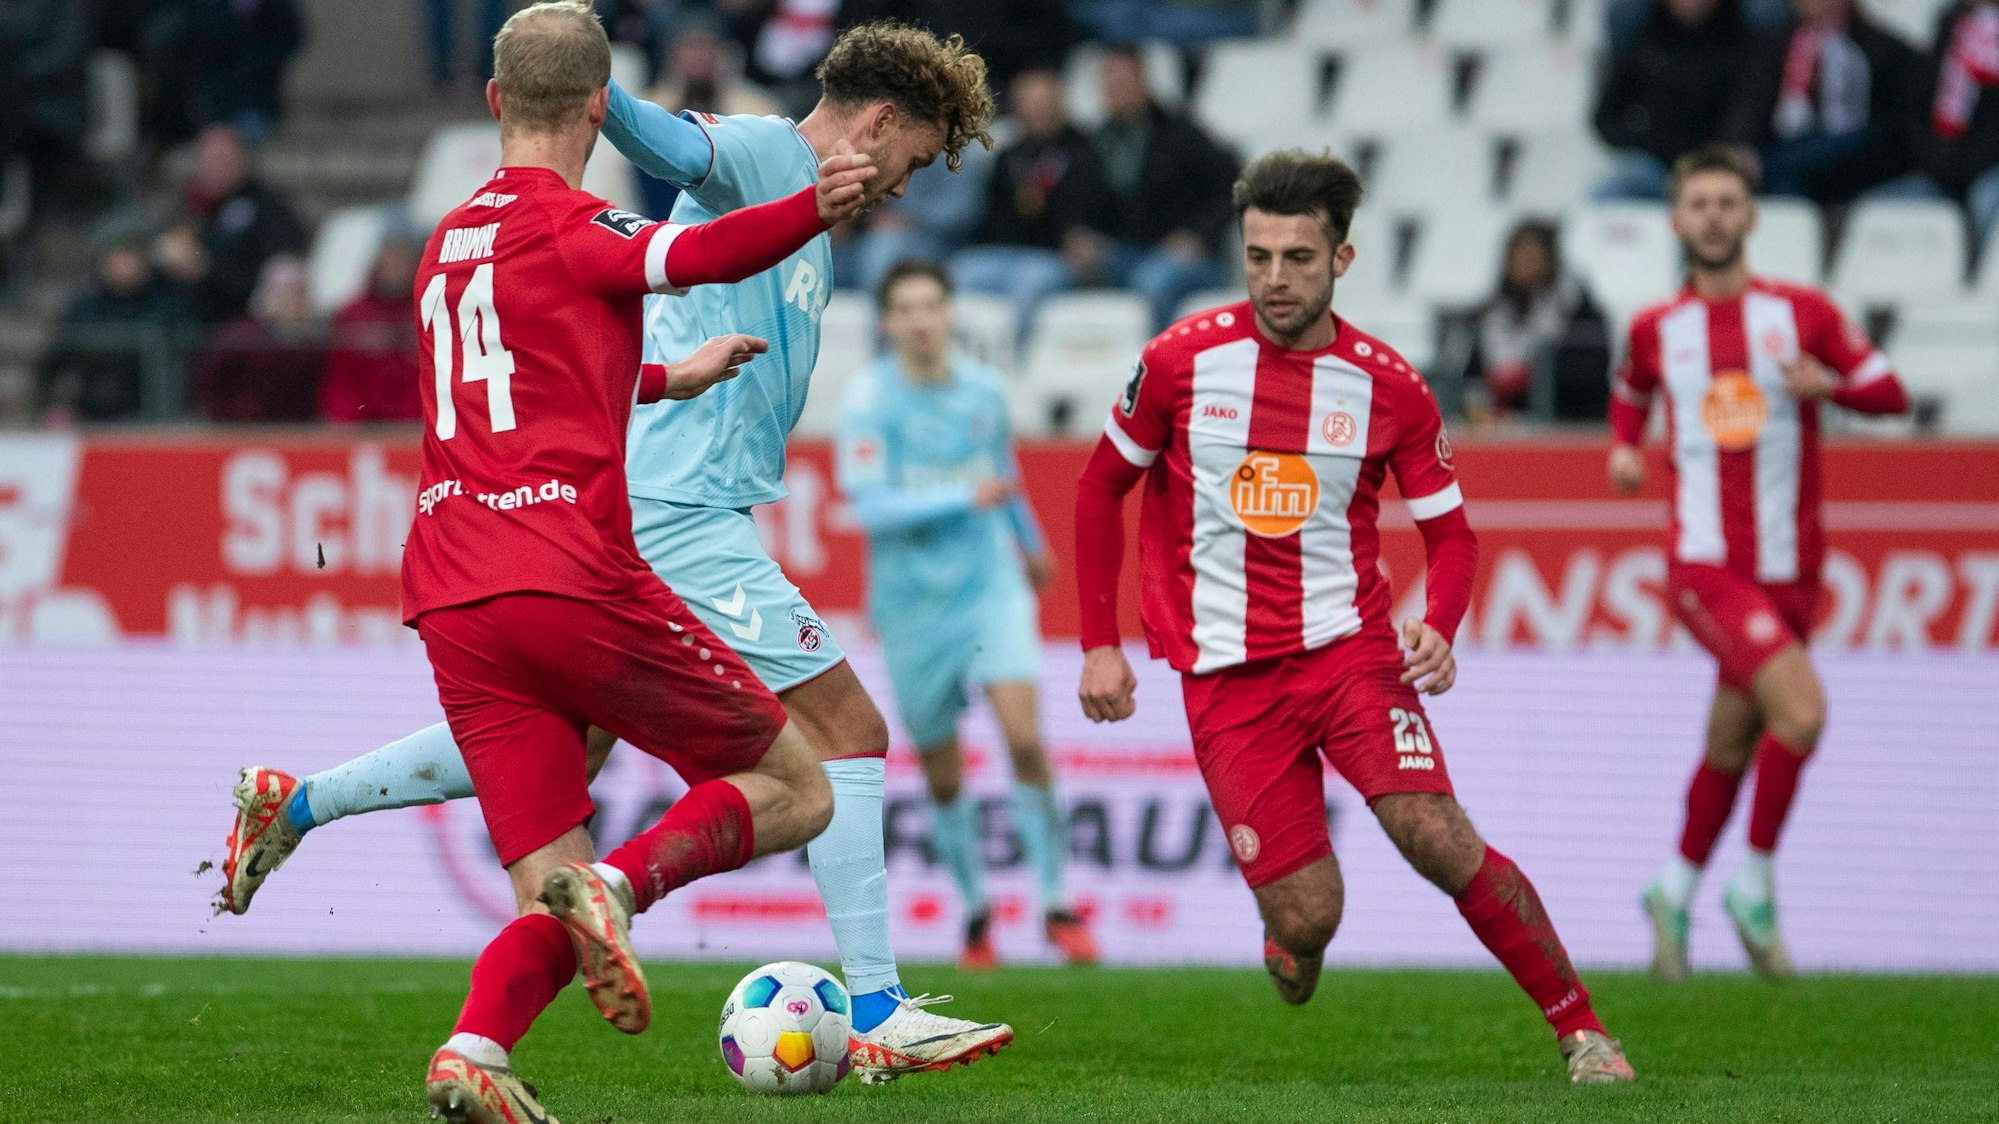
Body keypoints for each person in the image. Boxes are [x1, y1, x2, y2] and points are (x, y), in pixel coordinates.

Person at [216, 20, 1013, 1087]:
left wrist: (672, 375)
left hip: (635, 505)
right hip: (676, 508)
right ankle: (873, 1008)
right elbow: (671, 147)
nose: (902, 187)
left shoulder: (501, 232)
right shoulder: (770, 156)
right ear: (877, 123)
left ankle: (302, 803)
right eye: (909, 160)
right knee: (844, 733)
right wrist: (585, 69)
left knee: (570, 744)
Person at [386, 5, 874, 1118]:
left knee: (543, 895)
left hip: (452, 595)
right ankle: (621, 883)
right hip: (563, 571)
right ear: (601, 105)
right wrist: (814, 205)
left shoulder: (442, 243)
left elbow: (515, 380)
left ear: (495, 101)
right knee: (800, 787)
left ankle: (475, 1049)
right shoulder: (576, 222)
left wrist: (665, 380)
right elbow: (696, 252)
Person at [1072, 149, 1636, 1085]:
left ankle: (1583, 1032)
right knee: (1308, 916)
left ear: (1341, 258)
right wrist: (1100, 644)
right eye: (1258, 257)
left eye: (1297, 258)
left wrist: (1439, 624)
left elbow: (1451, 536)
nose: (1274, 278)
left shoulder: (1389, 385)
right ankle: (1289, 936)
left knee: (1435, 835)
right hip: (1226, 679)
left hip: (1349, 653)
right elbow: (1099, 491)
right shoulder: (1177, 362)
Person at [1610, 144, 1909, 982]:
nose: (1711, 218)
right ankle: (1753, 887)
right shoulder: (1656, 328)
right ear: (1676, 221)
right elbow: (1630, 390)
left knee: (1730, 742)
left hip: (1793, 574)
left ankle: (1671, 891)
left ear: (1748, 217)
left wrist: (1828, 388)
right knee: (1802, 715)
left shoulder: (1802, 314)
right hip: (1705, 569)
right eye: (1697, 204)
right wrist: (1623, 450)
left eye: (1725, 203)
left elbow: (1889, 392)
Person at [836, 259, 1096, 970]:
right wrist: (962, 497)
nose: (921, 321)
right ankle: (977, 913)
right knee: (943, 771)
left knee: (1026, 739)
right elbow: (871, 507)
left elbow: (1000, 475)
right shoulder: (868, 401)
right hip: (913, 609)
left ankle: (1056, 903)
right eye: (906, 309)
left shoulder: (983, 390)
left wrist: (1030, 541)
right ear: (888, 323)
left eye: (931, 306)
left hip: (990, 590)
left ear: (950, 314)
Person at [951, 67, 1115, 333]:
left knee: (1029, 283)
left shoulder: (1087, 152)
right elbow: (993, 218)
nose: (1038, 111)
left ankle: (1013, 354)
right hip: (1004, 253)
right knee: (960, 272)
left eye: (1044, 102)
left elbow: (1098, 214)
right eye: (1029, 103)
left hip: (1054, 258)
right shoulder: (1008, 157)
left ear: (1061, 103)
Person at [1092, 43, 1239, 327]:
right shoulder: (1099, 141)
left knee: (1151, 282)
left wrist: (1197, 235)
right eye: (1109, 81)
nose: (1115, 89)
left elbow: (1231, 186)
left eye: (1123, 80)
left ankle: (1161, 353)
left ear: (1143, 81)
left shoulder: (1181, 133)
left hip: (1190, 256)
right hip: (1128, 252)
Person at [1722, 0, 1919, 203]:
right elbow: (1752, 100)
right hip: (1790, 143)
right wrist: (1742, 144)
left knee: (1779, 167)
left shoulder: (1882, 47)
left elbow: (1897, 120)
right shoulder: (1776, 43)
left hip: (1858, 147)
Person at [1451, 220, 1611, 424]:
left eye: (1532, 258)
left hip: (1562, 423)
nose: (1525, 265)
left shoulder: (1578, 313)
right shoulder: (1489, 315)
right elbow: (1472, 378)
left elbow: (1589, 379)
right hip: (1500, 425)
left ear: (1550, 261)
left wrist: (1531, 376)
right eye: (1518, 257)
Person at [1594, 0, 1757, 200]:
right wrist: (1643, 140)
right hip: (1654, 163)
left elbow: (1746, 112)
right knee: (1613, 190)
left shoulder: (1743, 45)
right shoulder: (1645, 42)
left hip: (1714, 163)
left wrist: (1717, 157)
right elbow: (1605, 117)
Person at [36, 217, 193, 423]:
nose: (125, 262)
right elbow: (55, 362)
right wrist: (55, 405)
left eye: (132, 254)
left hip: (154, 418)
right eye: (118, 254)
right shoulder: (84, 307)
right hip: (92, 414)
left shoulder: (169, 305)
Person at [168, 123, 308, 324]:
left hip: (245, 323)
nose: (216, 169)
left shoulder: (269, 210)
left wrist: (205, 267)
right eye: (209, 161)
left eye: (223, 160)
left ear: (242, 161)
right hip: (182, 321)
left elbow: (279, 273)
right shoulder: (184, 207)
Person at [1900, 0, 1999, 246]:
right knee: (1895, 201)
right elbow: (1920, 104)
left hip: (1986, 167)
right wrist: (1940, 161)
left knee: (1985, 199)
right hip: (1945, 162)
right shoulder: (1951, 25)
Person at [190, 256, 326, 422]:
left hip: (297, 429)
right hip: (241, 427)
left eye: (299, 295)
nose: (294, 303)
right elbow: (209, 384)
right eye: (286, 295)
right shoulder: (239, 336)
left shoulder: (316, 343)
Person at [320, 234, 425, 422]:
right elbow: (339, 376)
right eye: (389, 262)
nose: (395, 269)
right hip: (358, 423)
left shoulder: (427, 312)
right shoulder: (353, 313)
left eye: (401, 262)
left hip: (412, 424)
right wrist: (343, 417)